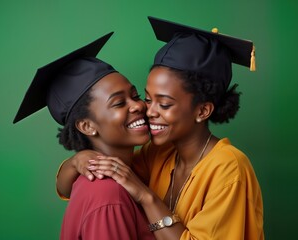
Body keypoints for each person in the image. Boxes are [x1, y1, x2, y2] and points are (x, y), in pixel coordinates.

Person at [56, 17, 264, 239]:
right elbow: (99, 181)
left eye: (164, 104)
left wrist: (146, 196)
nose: (148, 111)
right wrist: (77, 161)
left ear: (202, 111)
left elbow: (130, 186)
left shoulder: (229, 169)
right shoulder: (159, 154)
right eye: (147, 99)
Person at [13, 32, 155, 240]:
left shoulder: (130, 172)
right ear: (87, 126)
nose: (138, 105)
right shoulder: (108, 195)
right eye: (118, 103)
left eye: (135, 96)